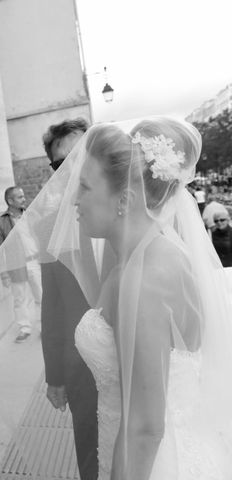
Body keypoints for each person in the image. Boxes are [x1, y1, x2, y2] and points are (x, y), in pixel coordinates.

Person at [23, 117, 232, 479]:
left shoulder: (147, 275)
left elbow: (145, 428)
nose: (75, 195)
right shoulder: (136, 260)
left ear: (124, 198)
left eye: (85, 187)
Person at [39, 118, 99, 480]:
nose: (73, 170)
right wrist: (55, 377)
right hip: (82, 370)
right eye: (62, 164)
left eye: (81, 156)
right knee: (91, 458)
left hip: (138, 360)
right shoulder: (49, 224)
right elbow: (53, 307)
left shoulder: (137, 207)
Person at [0, 187, 41, 342]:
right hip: (16, 265)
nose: (24, 199)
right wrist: (3, 274)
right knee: (19, 299)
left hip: (35, 261)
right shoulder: (0, 223)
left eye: (23, 195)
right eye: (20, 197)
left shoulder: (31, 215)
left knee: (41, 296)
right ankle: (24, 328)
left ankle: (44, 327)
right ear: (10, 201)